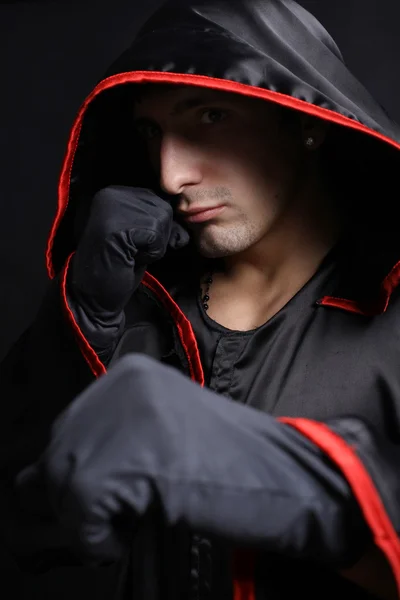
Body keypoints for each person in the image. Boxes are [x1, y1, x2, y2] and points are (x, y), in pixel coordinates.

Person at [1, 0, 400, 598]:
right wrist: (79, 321)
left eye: (210, 115)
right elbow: (25, 530)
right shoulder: (134, 309)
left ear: (306, 117)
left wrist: (299, 486)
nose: (170, 174)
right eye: (151, 131)